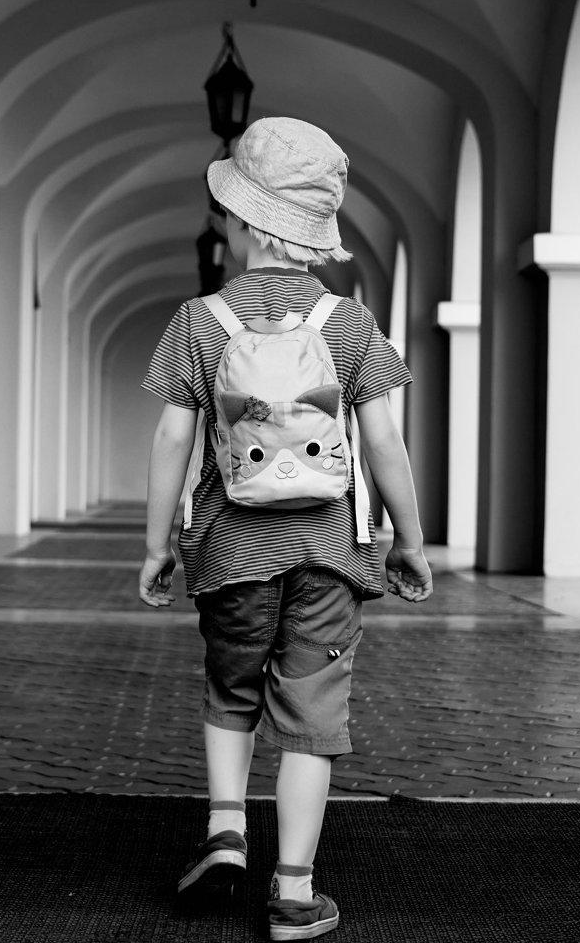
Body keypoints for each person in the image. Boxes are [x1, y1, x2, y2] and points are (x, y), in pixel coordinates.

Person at [139, 116, 432, 941]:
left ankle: (225, 834)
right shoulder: (349, 322)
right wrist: (407, 540)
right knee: (311, 713)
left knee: (231, 690)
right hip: (331, 554)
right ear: (308, 232)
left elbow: (171, 439)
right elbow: (382, 442)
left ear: (240, 224)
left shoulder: (199, 321)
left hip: (232, 550)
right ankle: (295, 891)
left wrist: (158, 546)